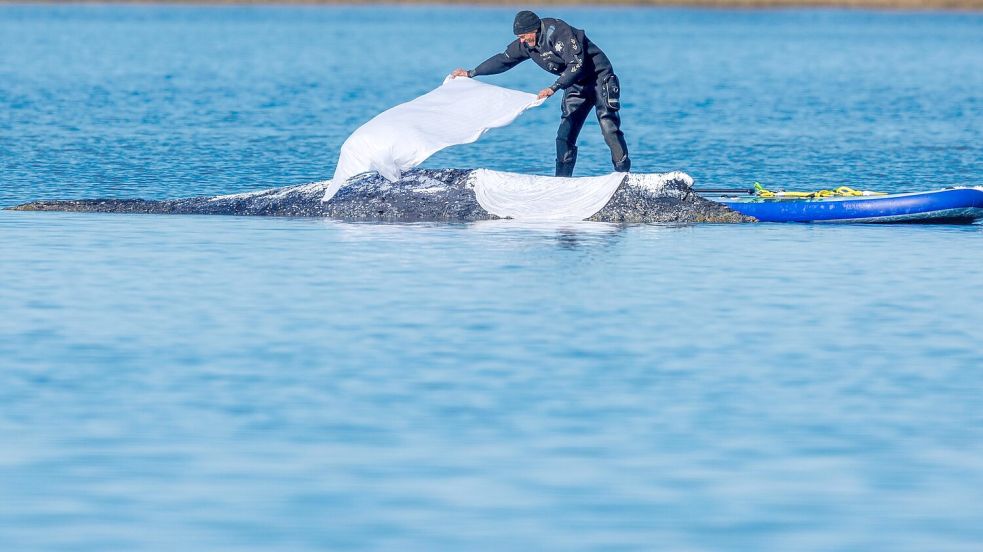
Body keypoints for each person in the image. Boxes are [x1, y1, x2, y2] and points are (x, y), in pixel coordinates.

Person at [452, 10, 630, 177]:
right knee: (564, 135)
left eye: (522, 36)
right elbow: (503, 60)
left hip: (599, 78)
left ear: (534, 30)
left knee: (608, 126)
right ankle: (561, 182)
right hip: (575, 84)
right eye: (518, 37)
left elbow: (576, 64)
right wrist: (471, 73)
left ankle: (622, 176)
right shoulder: (528, 44)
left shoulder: (559, 32)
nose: (521, 41)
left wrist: (554, 87)